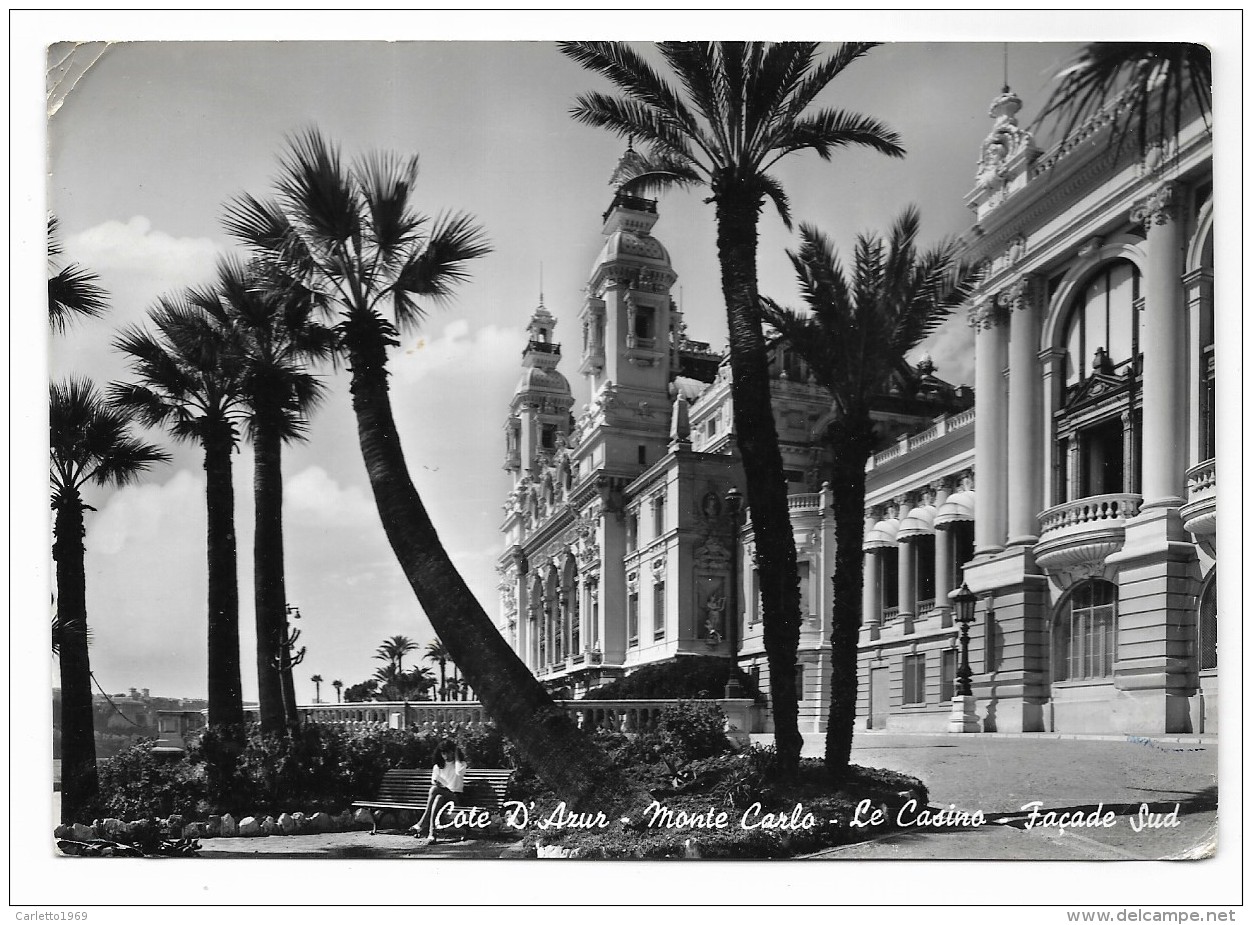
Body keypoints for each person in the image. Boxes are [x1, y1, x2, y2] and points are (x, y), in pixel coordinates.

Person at [410, 738, 468, 844]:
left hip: (455, 796)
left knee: (434, 790)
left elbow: (459, 772)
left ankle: (422, 822)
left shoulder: (460, 764)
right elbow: (434, 781)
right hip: (443, 795)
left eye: (448, 752)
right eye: (443, 753)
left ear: (453, 752)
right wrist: (439, 784)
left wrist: (456, 756)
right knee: (437, 797)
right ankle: (432, 833)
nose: (445, 756)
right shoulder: (438, 766)